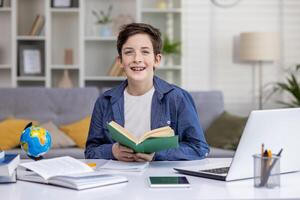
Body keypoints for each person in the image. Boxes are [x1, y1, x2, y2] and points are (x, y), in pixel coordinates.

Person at [85, 23, 209, 161]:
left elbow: (199, 148)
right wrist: (112, 151)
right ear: (120, 61)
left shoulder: (177, 97)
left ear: (157, 59)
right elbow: (90, 151)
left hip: (162, 177)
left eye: (145, 52)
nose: (137, 59)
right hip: (119, 177)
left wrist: (157, 153)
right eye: (129, 52)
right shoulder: (104, 101)